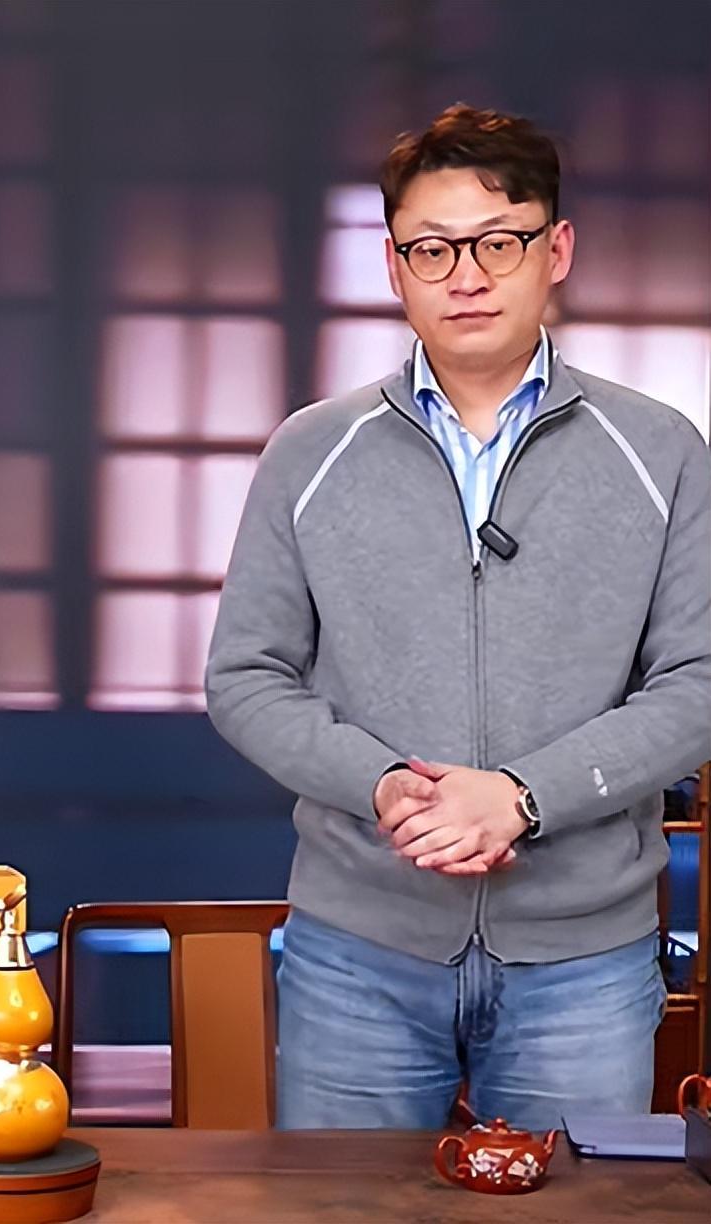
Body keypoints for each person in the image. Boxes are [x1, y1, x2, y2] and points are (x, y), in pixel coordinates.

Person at [206, 104, 711, 1130]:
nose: (466, 276)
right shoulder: (310, 452)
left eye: (498, 242)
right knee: (342, 1207)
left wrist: (524, 797)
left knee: (574, 1204)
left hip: (583, 958)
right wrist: (384, 786)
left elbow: (698, 682)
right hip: (358, 951)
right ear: (394, 269)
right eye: (431, 249)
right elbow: (245, 677)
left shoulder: (660, 451)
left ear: (555, 250)